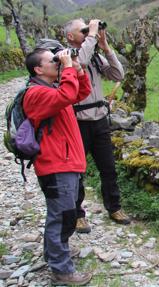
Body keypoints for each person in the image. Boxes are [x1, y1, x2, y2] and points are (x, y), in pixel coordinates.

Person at [23, 48, 92, 285]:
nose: (57, 61)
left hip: (66, 163)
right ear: (38, 69)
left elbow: (80, 92)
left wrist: (77, 68)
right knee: (62, 217)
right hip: (55, 165)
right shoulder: (35, 94)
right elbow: (66, 95)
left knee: (66, 213)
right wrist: (68, 70)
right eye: (51, 60)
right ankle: (62, 270)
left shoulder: (52, 89)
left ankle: (54, 254)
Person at [63, 18, 130, 233]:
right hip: (77, 123)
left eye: (88, 30)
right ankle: (77, 214)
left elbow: (118, 75)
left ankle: (114, 207)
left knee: (108, 168)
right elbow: (79, 63)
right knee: (77, 172)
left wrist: (106, 48)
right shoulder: (67, 56)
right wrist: (92, 35)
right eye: (82, 31)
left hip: (99, 120)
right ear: (70, 37)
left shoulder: (94, 57)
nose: (87, 33)